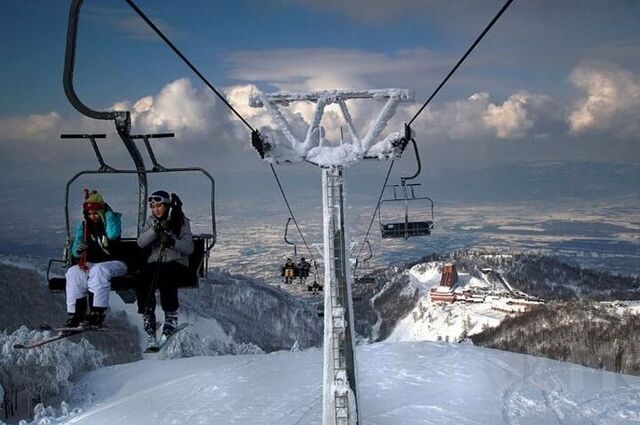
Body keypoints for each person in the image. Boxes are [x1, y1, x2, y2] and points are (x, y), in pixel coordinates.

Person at [137, 190, 194, 350]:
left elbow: (189, 247)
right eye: (153, 206)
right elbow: (141, 242)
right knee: (143, 278)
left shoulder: (180, 221)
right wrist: (155, 230)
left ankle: (171, 316)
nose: (156, 210)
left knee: (166, 275)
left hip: (176, 263)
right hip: (155, 264)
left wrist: (172, 242)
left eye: (159, 205)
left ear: (167, 205)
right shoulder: (151, 222)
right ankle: (148, 315)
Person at [65, 189, 126, 328]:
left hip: (116, 262)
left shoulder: (111, 222)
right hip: (92, 263)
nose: (93, 217)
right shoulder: (84, 227)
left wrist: (108, 214)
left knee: (99, 271)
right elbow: (75, 250)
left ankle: (97, 312)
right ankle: (76, 314)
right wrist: (77, 250)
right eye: (90, 214)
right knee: (74, 273)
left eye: (96, 213)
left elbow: (113, 235)